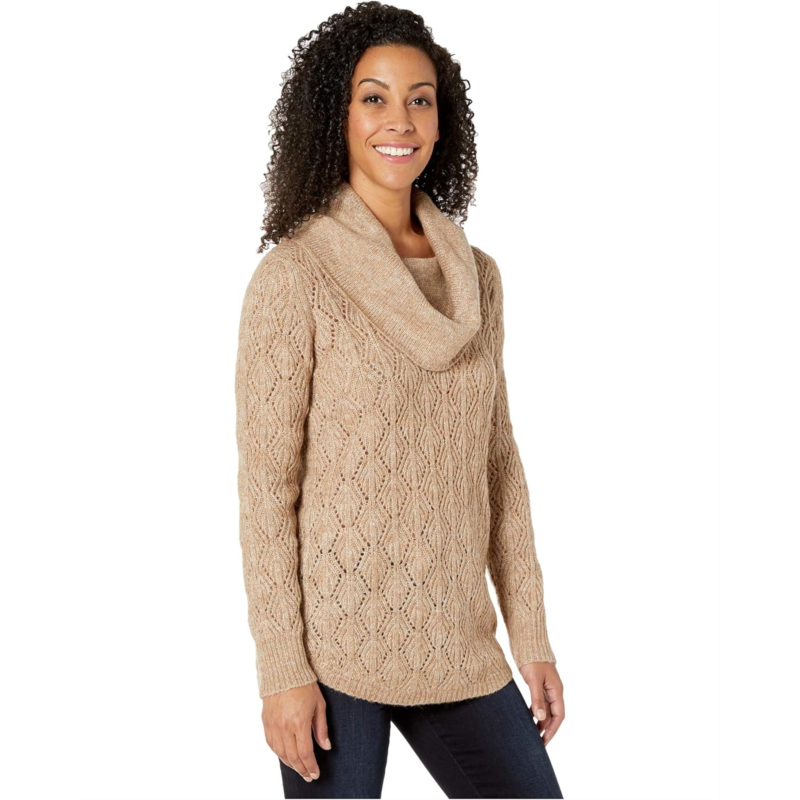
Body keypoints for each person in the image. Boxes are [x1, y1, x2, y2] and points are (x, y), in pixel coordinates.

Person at [235, 3, 566, 797]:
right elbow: (266, 492)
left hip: (458, 642)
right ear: (337, 117)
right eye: (374, 98)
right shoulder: (295, 277)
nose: (401, 120)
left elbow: (498, 467)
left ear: (442, 120)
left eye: (420, 99)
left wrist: (532, 636)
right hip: (334, 657)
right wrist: (282, 671)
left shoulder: (478, 279)